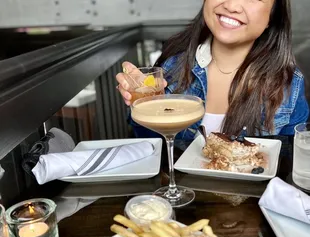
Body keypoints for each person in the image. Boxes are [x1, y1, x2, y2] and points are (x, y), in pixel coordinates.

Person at [116, 0, 309, 144]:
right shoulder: (171, 67)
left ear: (272, 17)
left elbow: (289, 162)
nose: (232, 5)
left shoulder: (289, 85)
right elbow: (152, 146)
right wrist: (142, 106)